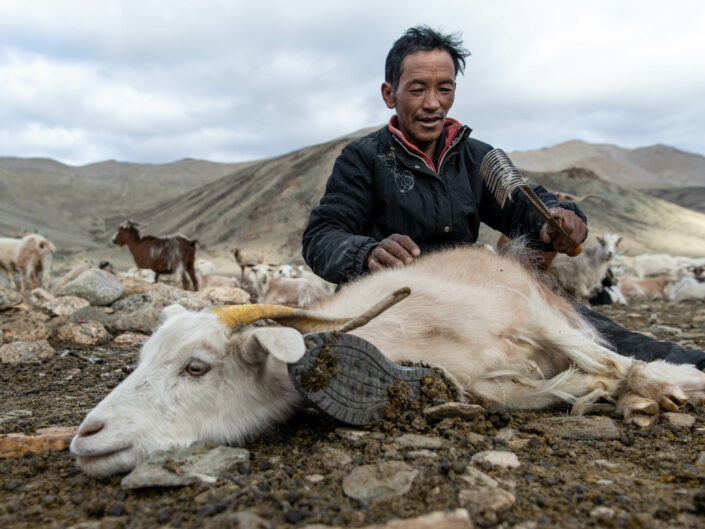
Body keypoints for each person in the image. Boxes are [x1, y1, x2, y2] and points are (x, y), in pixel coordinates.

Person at [302, 25, 705, 370]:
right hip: (393, 305)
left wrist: (561, 220)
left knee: (590, 332)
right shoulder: (363, 160)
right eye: (417, 89)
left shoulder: (478, 158)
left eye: (444, 88)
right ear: (390, 94)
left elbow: (526, 206)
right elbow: (322, 236)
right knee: (358, 356)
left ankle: (690, 366)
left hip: (472, 298)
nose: (433, 103)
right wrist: (368, 253)